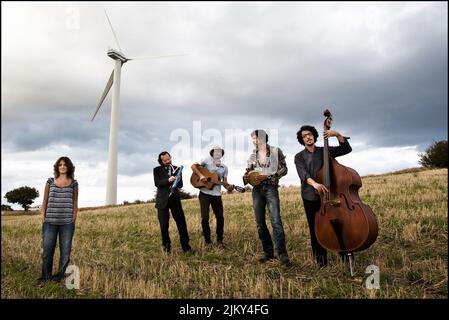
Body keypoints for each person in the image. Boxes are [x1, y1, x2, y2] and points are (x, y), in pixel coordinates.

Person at [294, 125, 352, 267]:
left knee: (338, 225)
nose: (308, 137)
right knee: (315, 228)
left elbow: (346, 149)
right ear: (302, 140)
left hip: (330, 194)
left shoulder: (324, 151)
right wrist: (315, 184)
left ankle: (344, 254)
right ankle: (321, 260)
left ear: (314, 135)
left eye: (309, 134)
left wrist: (337, 134)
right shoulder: (299, 157)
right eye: (304, 136)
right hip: (310, 196)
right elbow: (303, 175)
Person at [243, 129, 290, 265]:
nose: (254, 141)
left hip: (271, 188)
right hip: (256, 190)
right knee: (260, 223)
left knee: (276, 221)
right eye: (252, 139)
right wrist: (246, 177)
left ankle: (282, 254)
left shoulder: (276, 151)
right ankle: (268, 252)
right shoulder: (253, 155)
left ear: (263, 138)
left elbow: (284, 169)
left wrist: (269, 175)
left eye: (255, 138)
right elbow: (248, 172)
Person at [38, 156, 78, 286]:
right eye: (60, 165)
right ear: (57, 167)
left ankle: (58, 276)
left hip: (67, 223)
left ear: (69, 167)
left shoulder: (74, 183)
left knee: (65, 252)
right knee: (47, 251)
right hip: (50, 222)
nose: (62, 167)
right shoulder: (50, 182)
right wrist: (43, 215)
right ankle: (45, 277)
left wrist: (73, 219)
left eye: (65, 165)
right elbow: (45, 200)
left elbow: (75, 202)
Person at [191, 146, 234, 247]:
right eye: (215, 152)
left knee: (220, 217)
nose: (217, 154)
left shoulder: (224, 167)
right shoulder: (206, 161)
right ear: (212, 153)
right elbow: (193, 166)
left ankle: (220, 240)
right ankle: (208, 241)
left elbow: (225, 183)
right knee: (205, 218)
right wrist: (201, 176)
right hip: (204, 194)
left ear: (221, 154)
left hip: (217, 195)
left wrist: (229, 187)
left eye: (219, 152)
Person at [153, 151, 193, 253]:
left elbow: (180, 185)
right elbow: (157, 183)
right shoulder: (156, 170)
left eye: (169, 159)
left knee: (182, 224)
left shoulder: (177, 169)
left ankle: (186, 247)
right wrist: (168, 180)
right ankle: (166, 248)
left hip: (175, 200)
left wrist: (177, 180)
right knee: (164, 226)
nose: (168, 161)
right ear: (161, 161)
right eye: (165, 160)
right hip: (162, 201)